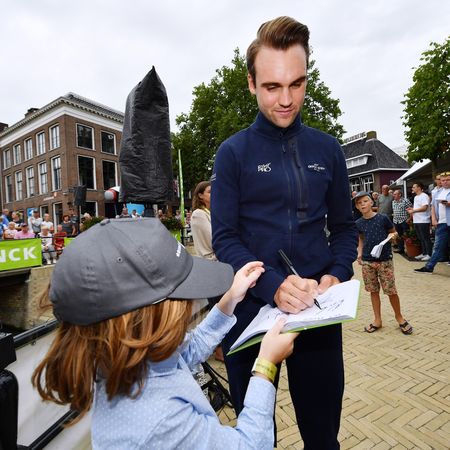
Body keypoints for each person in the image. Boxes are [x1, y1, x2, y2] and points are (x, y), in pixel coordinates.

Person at [211, 16, 358, 449]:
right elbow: (225, 239)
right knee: (255, 438)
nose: (287, 99)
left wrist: (335, 274)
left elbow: (344, 229)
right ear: (251, 83)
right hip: (250, 314)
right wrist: (273, 286)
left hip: (317, 311)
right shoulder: (232, 153)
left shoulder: (328, 149)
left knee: (323, 436)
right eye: (272, 87)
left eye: (297, 83)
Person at [32, 218, 299, 449]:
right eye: (182, 296)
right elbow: (250, 445)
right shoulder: (160, 421)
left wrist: (229, 300)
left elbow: (185, 352)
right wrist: (266, 366)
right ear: (149, 315)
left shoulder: (124, 357)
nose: (190, 305)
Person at [354, 192, 413, 335]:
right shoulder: (358, 223)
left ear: (371, 203)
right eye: (359, 203)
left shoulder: (383, 218)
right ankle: (377, 320)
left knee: (391, 291)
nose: (362, 204)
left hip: (385, 260)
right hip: (367, 261)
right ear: (357, 207)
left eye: (365, 201)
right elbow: (361, 239)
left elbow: (393, 233)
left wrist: (393, 237)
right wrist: (359, 253)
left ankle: (399, 317)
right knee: (373, 291)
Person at [191, 180, 224, 361]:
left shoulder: (213, 212)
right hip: (211, 266)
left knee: (223, 306)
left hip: (220, 265)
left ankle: (221, 346)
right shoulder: (199, 214)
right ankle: (218, 348)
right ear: (200, 195)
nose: (215, 193)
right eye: (210, 191)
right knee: (217, 308)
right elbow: (216, 239)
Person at [414, 172, 450, 273]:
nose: (445, 182)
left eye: (448, 180)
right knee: (438, 246)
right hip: (442, 223)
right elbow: (433, 206)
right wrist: (433, 218)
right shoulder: (437, 192)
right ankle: (429, 267)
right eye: (443, 180)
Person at [407, 182, 432, 261]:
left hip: (423, 220)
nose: (412, 188)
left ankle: (429, 254)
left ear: (419, 187)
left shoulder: (424, 196)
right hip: (417, 220)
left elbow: (424, 208)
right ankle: (424, 253)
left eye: (414, 187)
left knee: (425, 238)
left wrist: (413, 210)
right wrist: (412, 209)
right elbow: (419, 208)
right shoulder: (416, 197)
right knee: (421, 238)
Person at [392, 189, 412, 254]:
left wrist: (409, 219)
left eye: (395, 194)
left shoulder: (405, 201)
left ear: (400, 194)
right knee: (399, 236)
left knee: (406, 235)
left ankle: (408, 250)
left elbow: (411, 210)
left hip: (404, 221)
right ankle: (401, 249)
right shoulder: (393, 202)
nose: (393, 195)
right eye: (393, 194)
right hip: (396, 221)